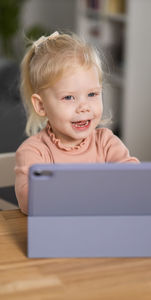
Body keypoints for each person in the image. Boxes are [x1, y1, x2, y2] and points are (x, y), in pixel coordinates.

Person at [15, 31, 139, 215]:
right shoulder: (34, 152)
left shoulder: (106, 141)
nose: (84, 107)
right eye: (68, 97)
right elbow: (29, 201)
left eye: (92, 94)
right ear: (41, 105)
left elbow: (136, 179)